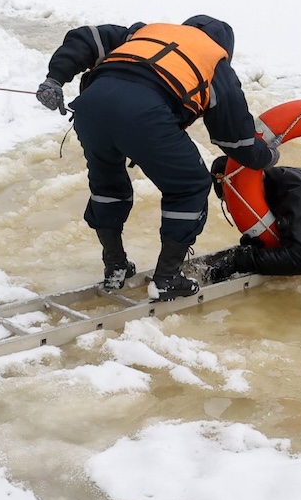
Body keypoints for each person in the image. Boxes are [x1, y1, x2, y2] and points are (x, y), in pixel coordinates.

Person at [36, 15, 279, 301]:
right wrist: (267, 156)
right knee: (189, 185)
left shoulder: (144, 33)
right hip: (145, 113)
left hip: (92, 108)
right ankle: (167, 278)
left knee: (107, 185)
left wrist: (55, 79)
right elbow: (235, 140)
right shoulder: (216, 63)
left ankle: (115, 266)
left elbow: (86, 37)